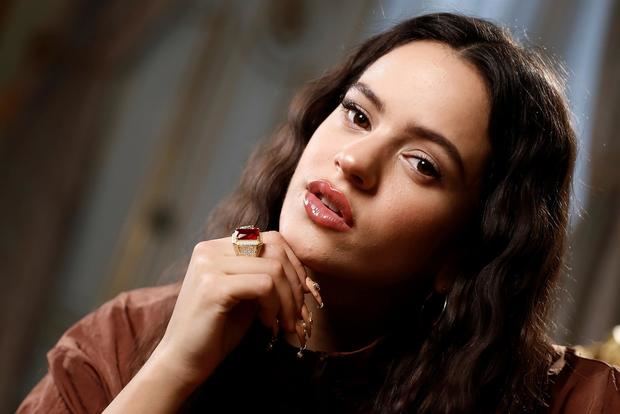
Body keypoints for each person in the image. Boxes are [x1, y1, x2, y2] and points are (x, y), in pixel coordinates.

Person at [17, 12, 620, 413]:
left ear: (465, 251)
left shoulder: (576, 402)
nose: (355, 160)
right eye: (357, 115)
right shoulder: (121, 342)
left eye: (422, 164)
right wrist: (172, 369)